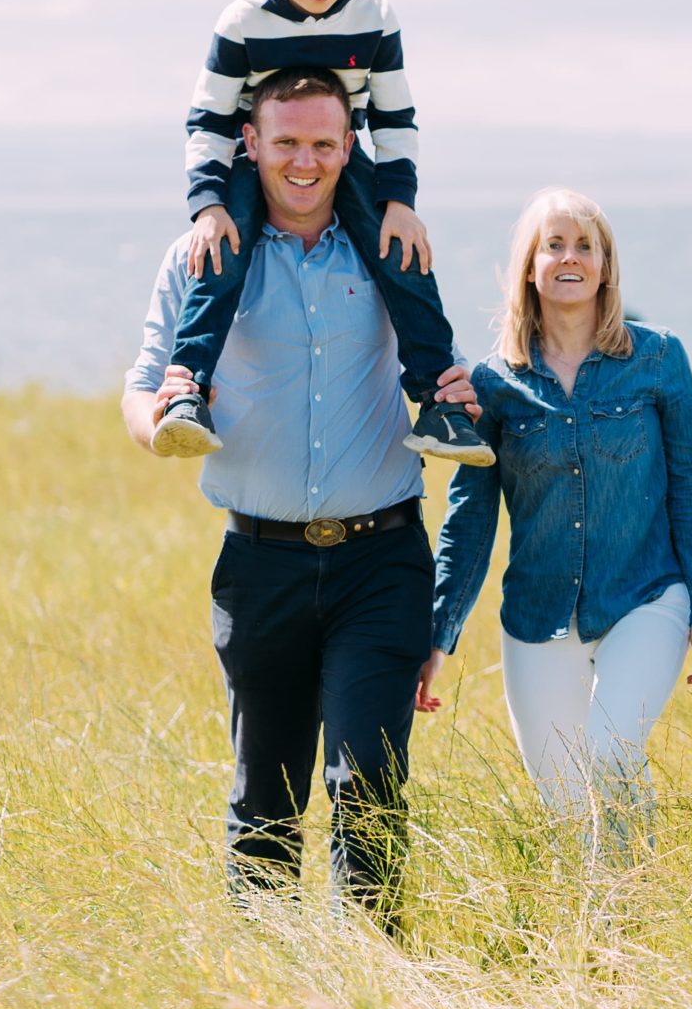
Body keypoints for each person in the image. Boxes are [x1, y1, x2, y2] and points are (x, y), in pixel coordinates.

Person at [122, 67, 480, 927]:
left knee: (369, 787)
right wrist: (163, 422)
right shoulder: (201, 255)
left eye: (324, 143)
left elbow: (440, 364)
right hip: (260, 564)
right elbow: (140, 389)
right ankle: (273, 998)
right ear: (250, 143)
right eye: (286, 142)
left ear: (349, 144)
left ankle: (375, 986)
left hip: (380, 560)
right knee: (265, 804)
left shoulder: (392, 243)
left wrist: (462, 390)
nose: (305, 162)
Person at [152, 0, 491, 468]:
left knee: (399, 251)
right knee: (221, 252)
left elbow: (394, 116)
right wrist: (207, 205)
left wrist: (401, 202)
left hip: (340, 151)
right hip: (254, 156)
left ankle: (442, 404)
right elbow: (206, 118)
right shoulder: (242, 20)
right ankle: (186, 391)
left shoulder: (375, 15)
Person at [429, 188, 692, 846]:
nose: (569, 256)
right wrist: (437, 635)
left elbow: (689, 487)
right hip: (537, 616)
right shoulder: (495, 383)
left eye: (584, 245)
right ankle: (594, 941)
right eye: (553, 244)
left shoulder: (657, 358)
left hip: (646, 597)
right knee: (565, 810)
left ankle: (628, 926)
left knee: (612, 757)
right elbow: (468, 519)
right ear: (529, 266)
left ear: (606, 266)